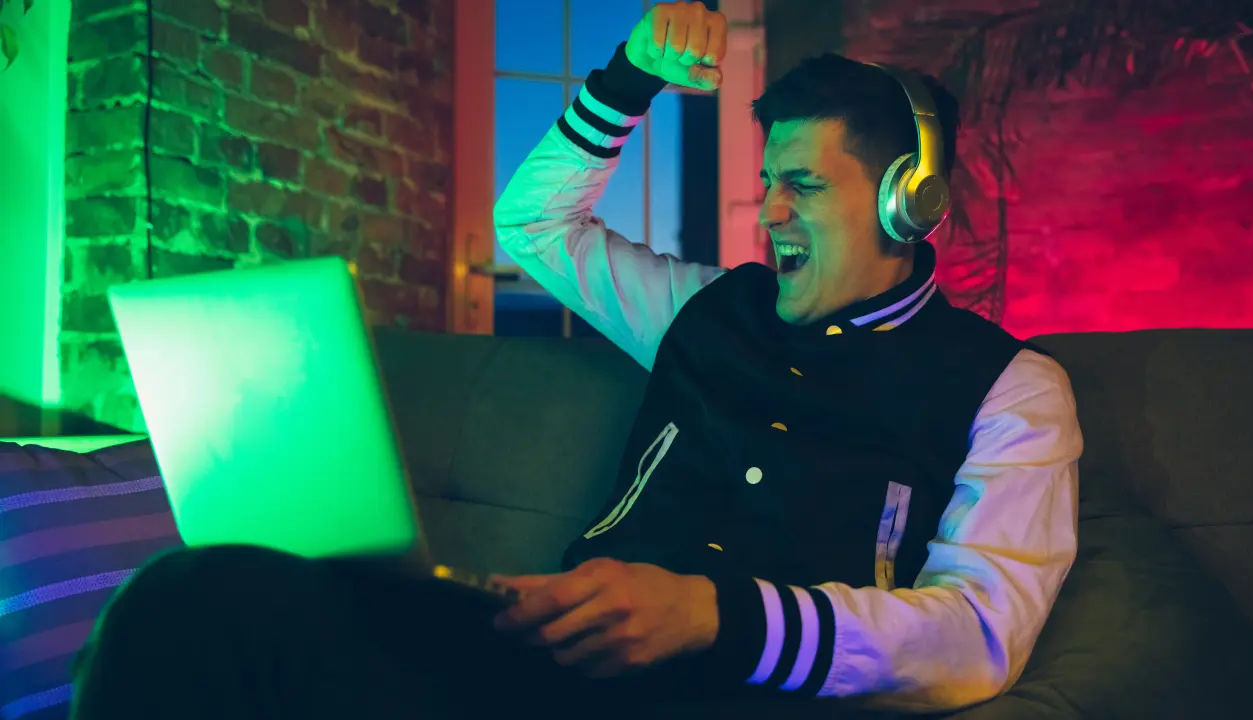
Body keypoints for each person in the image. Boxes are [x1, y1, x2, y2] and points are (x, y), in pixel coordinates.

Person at [71, 2, 1081, 718]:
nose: (769, 211)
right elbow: (535, 225)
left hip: (748, 698)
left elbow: (981, 634)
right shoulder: (701, 310)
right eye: (769, 180)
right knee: (195, 596)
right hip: (543, 664)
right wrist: (629, 76)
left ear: (909, 201)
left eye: (803, 186)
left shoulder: (1011, 389)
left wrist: (713, 617)